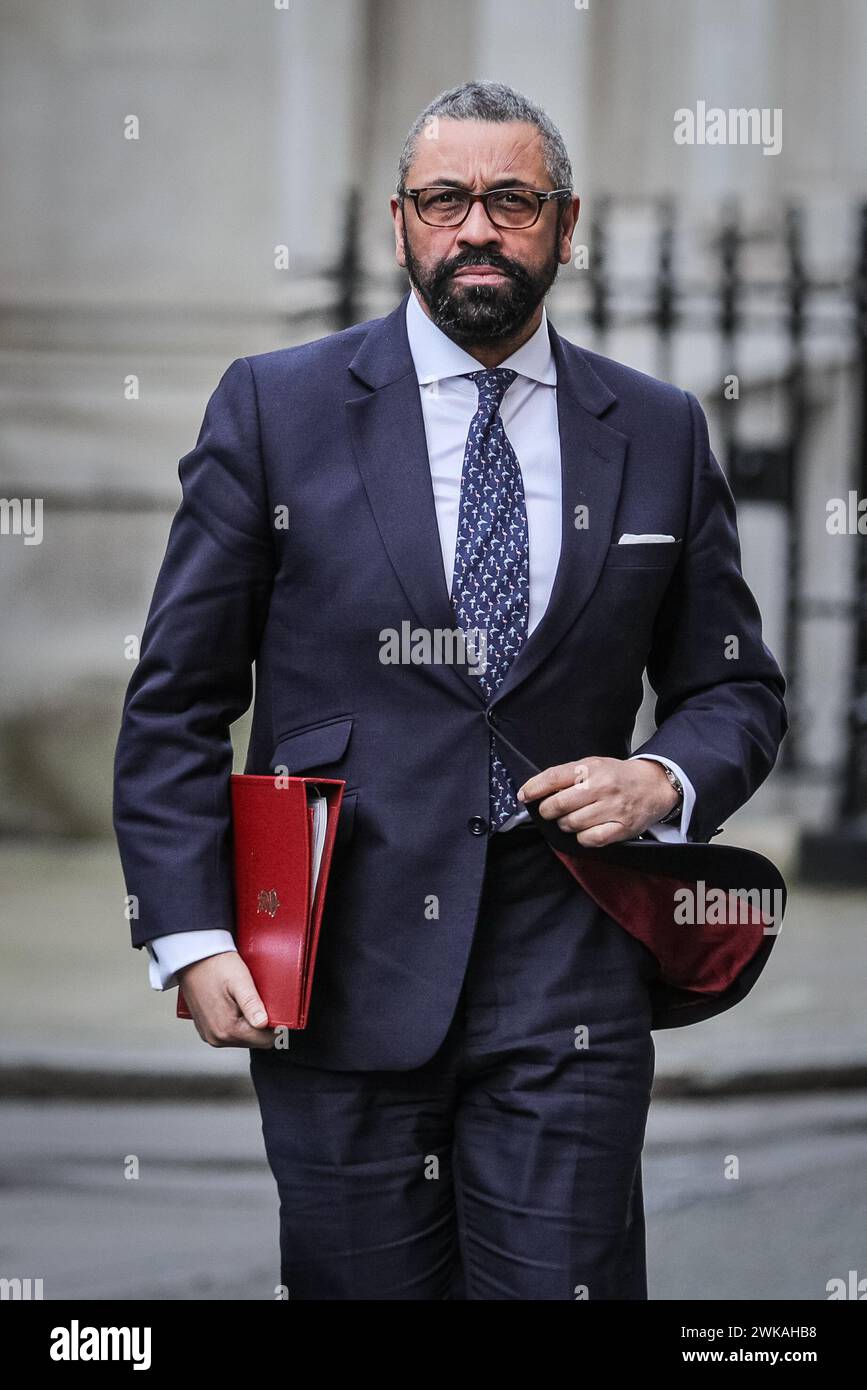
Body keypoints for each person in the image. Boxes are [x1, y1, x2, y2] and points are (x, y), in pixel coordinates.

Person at [113, 80, 786, 1300]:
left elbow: (735, 689)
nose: (477, 227)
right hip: (331, 961)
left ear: (566, 227)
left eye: (512, 200)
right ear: (402, 220)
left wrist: (662, 777)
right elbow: (174, 698)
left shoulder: (660, 430)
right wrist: (190, 930)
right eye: (445, 199)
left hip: (567, 968)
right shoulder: (276, 409)